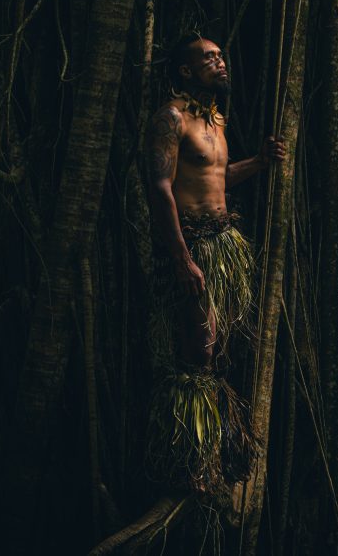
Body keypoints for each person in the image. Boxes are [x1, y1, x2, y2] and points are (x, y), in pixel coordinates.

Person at [144, 32, 285, 494]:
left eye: (222, 56)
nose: (221, 62)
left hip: (225, 248)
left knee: (218, 351)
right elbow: (162, 189)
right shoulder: (171, 119)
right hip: (195, 249)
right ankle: (190, 465)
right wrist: (182, 258)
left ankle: (219, 456)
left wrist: (260, 163)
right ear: (185, 70)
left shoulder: (215, 120)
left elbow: (218, 177)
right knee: (196, 357)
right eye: (209, 58)